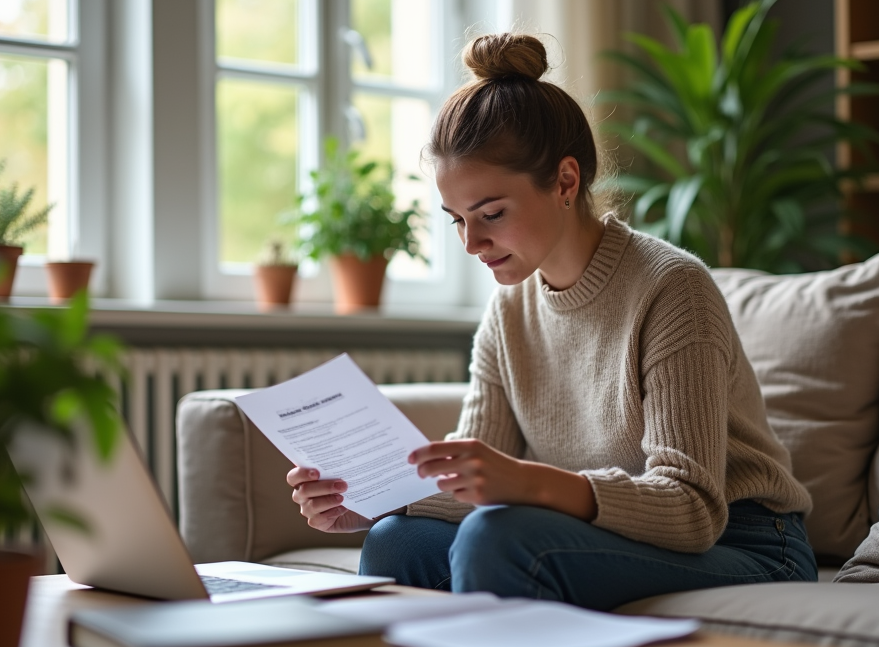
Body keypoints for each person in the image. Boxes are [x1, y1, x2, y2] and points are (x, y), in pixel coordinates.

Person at [286, 32, 817, 612]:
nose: (472, 242)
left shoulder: (671, 288)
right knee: (397, 543)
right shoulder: (507, 313)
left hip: (749, 543)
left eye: (491, 214)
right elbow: (479, 484)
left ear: (565, 182)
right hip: (602, 531)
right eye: (457, 220)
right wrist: (381, 500)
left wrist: (528, 484)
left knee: (504, 541)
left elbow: (692, 509)